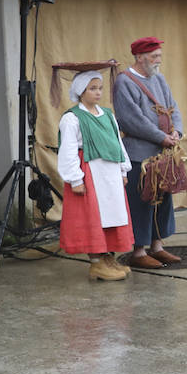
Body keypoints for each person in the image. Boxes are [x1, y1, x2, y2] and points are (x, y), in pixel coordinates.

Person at [113, 36, 184, 270]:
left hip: (163, 154)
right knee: (141, 201)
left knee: (162, 199)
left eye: (159, 56)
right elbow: (131, 120)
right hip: (139, 155)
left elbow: (173, 108)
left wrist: (177, 133)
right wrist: (161, 137)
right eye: (154, 57)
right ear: (139, 57)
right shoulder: (125, 82)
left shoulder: (159, 78)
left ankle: (157, 247)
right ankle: (138, 251)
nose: (158, 61)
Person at [56, 69, 133, 280]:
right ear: (81, 91)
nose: (98, 92)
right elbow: (68, 150)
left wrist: (122, 168)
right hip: (90, 172)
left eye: (99, 88)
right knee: (93, 216)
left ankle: (108, 257)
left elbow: (117, 143)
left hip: (109, 174)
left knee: (112, 214)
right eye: (92, 88)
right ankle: (96, 262)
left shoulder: (108, 114)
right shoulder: (72, 118)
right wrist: (75, 178)